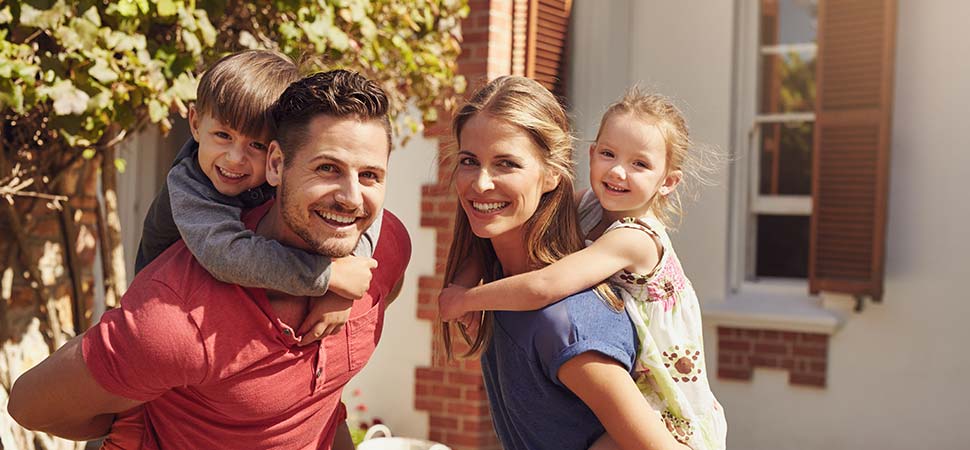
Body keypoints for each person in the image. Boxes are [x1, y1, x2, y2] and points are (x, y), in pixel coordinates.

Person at [8, 69, 411, 450]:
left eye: (371, 176)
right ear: (276, 164)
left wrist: (340, 289)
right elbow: (29, 405)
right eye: (327, 168)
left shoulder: (385, 247)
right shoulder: (176, 319)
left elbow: (319, 397)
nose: (352, 197)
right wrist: (138, 418)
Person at [440, 87, 727, 450]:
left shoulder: (633, 240)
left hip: (669, 402)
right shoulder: (588, 206)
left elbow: (544, 285)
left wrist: (467, 300)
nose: (619, 171)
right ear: (591, 155)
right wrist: (461, 285)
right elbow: (488, 234)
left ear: (668, 181)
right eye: (608, 154)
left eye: (640, 164)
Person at [136, 49, 379, 342]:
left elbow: (361, 212)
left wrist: (352, 271)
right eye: (223, 136)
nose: (235, 159)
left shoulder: (282, 172)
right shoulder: (189, 185)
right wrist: (329, 278)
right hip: (163, 311)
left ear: (278, 151)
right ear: (196, 123)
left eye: (257, 146)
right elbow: (228, 255)